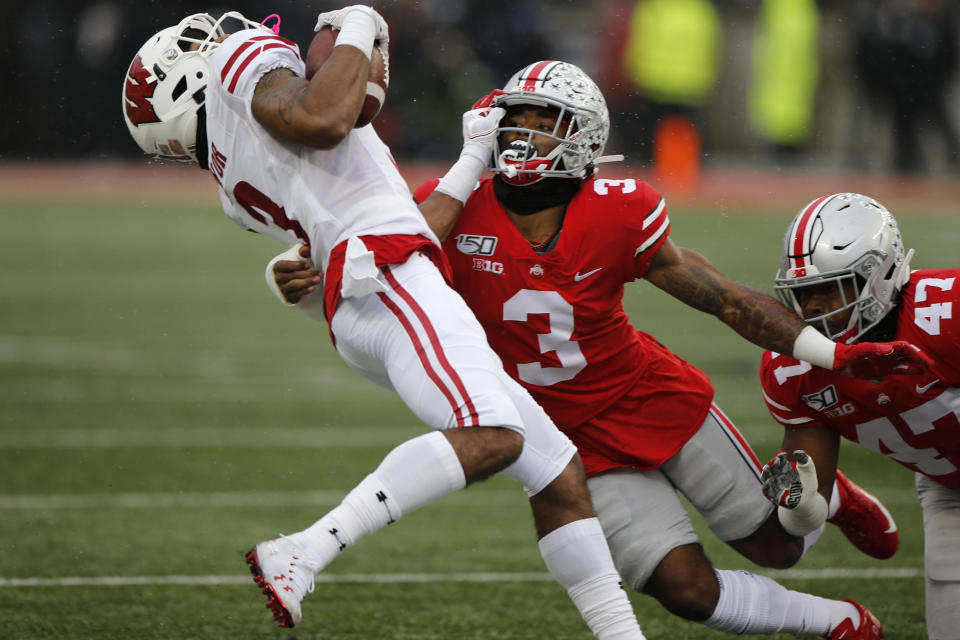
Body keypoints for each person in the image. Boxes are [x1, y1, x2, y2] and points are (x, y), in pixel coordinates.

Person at [270, 60, 935, 638]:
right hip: (564, 439)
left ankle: (834, 498)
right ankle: (837, 622)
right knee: (686, 591)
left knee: (776, 545)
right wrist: (306, 278)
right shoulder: (450, 210)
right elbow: (389, 269)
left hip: (646, 394)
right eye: (516, 118)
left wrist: (830, 354)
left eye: (543, 120)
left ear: (582, 135)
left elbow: (718, 296)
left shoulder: (619, 208)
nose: (521, 133)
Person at [121, 10, 648, 638]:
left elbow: (371, 202)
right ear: (183, 78)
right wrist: (360, 26)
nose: (222, 32)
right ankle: (305, 550)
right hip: (390, 276)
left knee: (557, 471)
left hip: (375, 283)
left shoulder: (233, 191)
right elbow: (326, 118)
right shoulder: (237, 59)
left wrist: (473, 156)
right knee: (495, 434)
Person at [757, 192, 960, 640]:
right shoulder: (793, 367)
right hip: (950, 488)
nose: (811, 309)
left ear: (880, 275)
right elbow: (807, 507)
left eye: (828, 288)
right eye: (802, 294)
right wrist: (800, 499)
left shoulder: (945, 311)